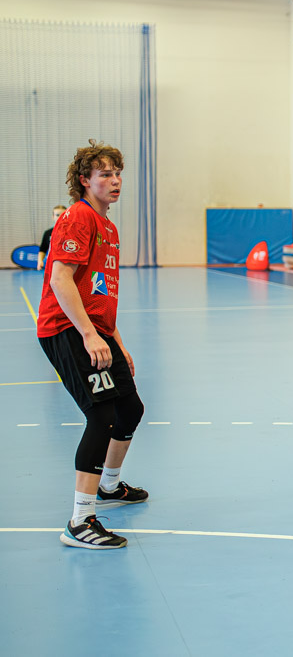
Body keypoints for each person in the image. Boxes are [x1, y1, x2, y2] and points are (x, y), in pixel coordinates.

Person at [37, 140, 148, 549]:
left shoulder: (109, 228)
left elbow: (100, 291)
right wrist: (87, 334)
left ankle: (110, 486)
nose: (115, 181)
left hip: (97, 330)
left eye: (118, 174)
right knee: (101, 417)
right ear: (85, 180)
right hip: (66, 329)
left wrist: (115, 340)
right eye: (105, 174)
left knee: (130, 409)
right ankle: (80, 521)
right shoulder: (77, 218)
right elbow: (60, 279)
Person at [37, 204, 67, 270]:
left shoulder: (73, 232)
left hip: (67, 266)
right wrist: (40, 261)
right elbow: (42, 250)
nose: (60, 217)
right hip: (52, 266)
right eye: (57, 215)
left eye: (63, 215)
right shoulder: (48, 233)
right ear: (53, 217)